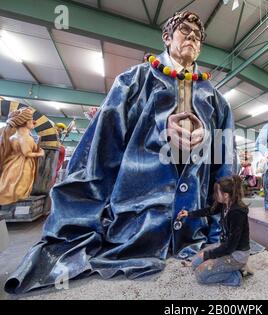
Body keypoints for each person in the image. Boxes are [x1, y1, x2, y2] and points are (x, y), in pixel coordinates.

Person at [5, 11, 235, 294]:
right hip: (138, 221)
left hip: (192, 227)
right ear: (166, 37)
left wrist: (208, 138)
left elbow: (224, 161)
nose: (192, 37)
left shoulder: (216, 98)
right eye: (185, 30)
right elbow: (102, 147)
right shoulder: (133, 80)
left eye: (198, 36)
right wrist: (158, 129)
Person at [177, 175, 250, 287]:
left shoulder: (237, 213)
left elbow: (230, 247)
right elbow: (209, 211)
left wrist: (208, 255)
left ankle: (237, 275)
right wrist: (189, 214)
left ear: (226, 195)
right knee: (196, 262)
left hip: (236, 255)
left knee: (201, 275)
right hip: (225, 246)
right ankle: (227, 268)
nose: (214, 195)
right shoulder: (225, 204)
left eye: (217, 193)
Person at [0, 108, 45, 205]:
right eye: (31, 119)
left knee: (9, 186)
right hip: (22, 167)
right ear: (25, 122)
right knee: (17, 189)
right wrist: (40, 153)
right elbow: (27, 153)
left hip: (11, 165)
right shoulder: (25, 138)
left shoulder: (13, 136)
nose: (34, 122)